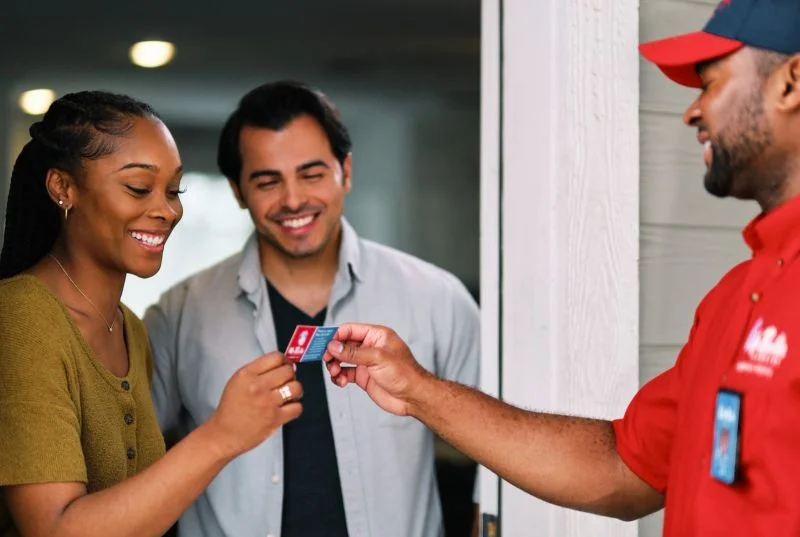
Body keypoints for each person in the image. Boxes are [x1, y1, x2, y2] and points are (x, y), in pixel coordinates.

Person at [322, 1, 800, 535]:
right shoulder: (736, 297)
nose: (692, 111)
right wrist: (415, 389)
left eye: (710, 83)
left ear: (791, 82)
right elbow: (623, 468)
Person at [143, 80, 480, 537]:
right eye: (267, 181)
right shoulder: (180, 315)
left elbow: (498, 461)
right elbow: (131, 466)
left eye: (312, 173)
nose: (294, 200)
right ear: (239, 191)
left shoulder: (437, 299)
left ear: (346, 170)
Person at [0, 91, 302, 537]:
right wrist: (221, 435)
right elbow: (53, 528)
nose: (166, 210)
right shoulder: (20, 316)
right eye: (139, 188)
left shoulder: (131, 330)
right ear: (63, 188)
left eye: (174, 190)